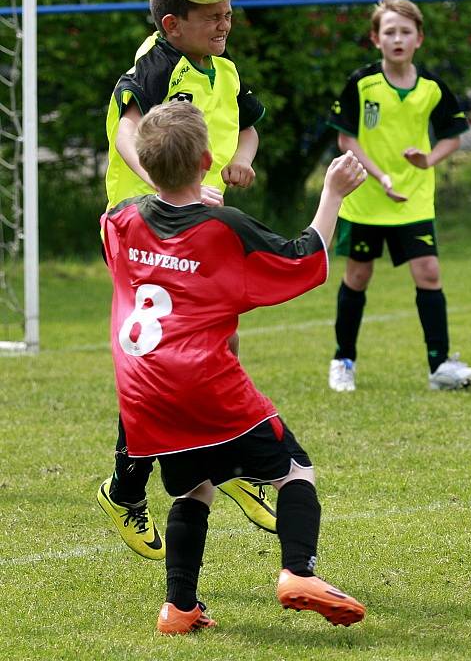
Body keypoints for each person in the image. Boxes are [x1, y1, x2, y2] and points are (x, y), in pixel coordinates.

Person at [101, 99, 367, 634]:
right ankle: (298, 572)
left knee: (192, 487)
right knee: (294, 469)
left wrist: (186, 204)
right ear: (206, 161)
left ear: (145, 165)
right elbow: (302, 259)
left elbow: (139, 240)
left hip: (142, 387)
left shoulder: (121, 219)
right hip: (202, 381)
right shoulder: (223, 227)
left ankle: (180, 609)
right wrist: (332, 193)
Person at [97, 0, 276, 561]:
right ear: (174, 23)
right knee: (170, 357)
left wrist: (241, 163)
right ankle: (227, 466)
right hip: (142, 223)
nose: (226, 22)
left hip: (192, 222)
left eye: (229, 11)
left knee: (198, 347)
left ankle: (140, 485)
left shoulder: (223, 70)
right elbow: (127, 129)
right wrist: (162, 187)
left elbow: (246, 128)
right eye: (213, 15)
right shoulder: (156, 61)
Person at [326, 0, 471, 393]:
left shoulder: (431, 89)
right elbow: (347, 140)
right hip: (367, 198)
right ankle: (343, 359)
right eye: (389, 31)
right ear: (376, 39)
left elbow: (453, 137)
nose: (397, 38)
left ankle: (440, 367)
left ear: (419, 39)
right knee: (358, 276)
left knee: (428, 272)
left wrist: (427, 161)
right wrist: (380, 177)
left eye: (405, 31)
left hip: (412, 199)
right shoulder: (361, 83)